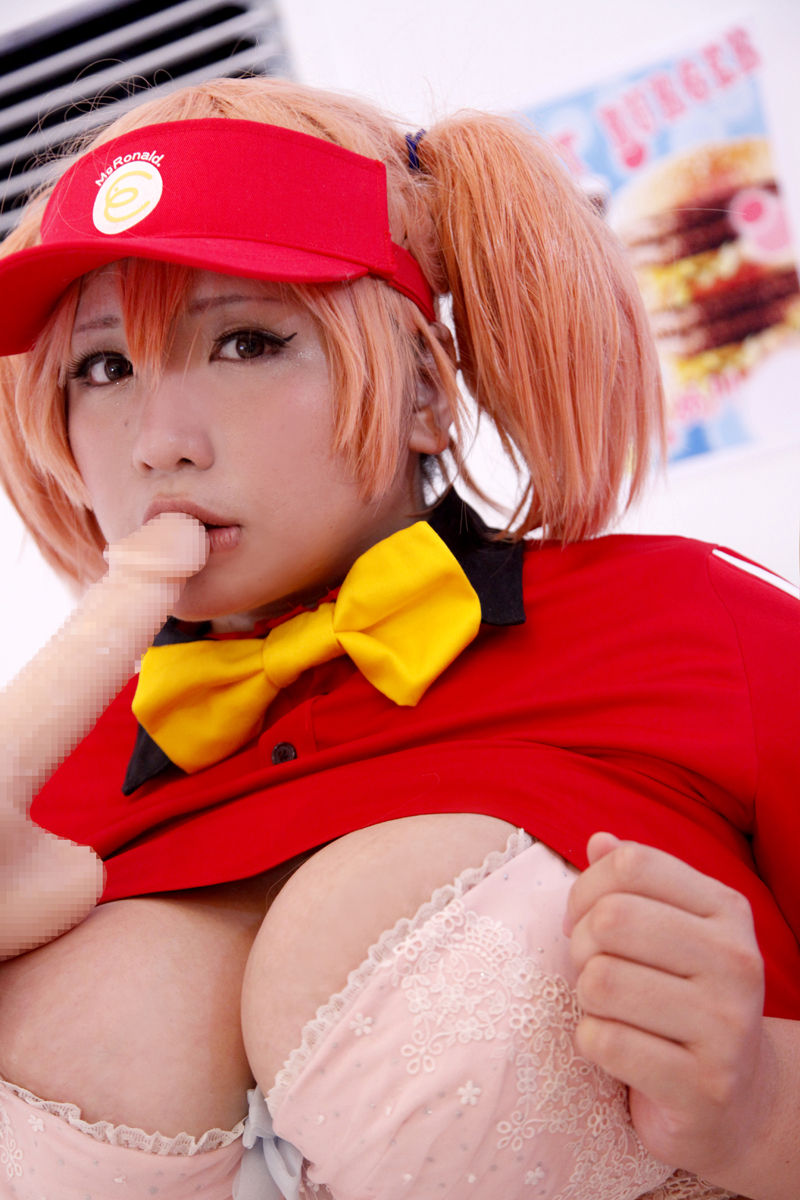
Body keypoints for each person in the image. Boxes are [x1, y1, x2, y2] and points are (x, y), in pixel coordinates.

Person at [0, 74, 797, 1200]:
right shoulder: (36, 802)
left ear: (423, 385)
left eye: (246, 342)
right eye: (104, 368)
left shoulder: (693, 628)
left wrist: (763, 1115)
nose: (159, 441)